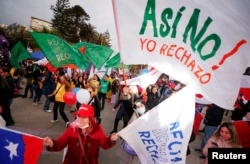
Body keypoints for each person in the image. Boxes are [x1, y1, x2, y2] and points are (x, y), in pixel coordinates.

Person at [44, 104, 119, 164]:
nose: (80, 119)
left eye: (84, 117)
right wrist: (51, 143)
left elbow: (105, 144)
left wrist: (111, 139)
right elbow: (60, 143)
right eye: (79, 116)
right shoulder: (71, 128)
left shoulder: (97, 129)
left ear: (90, 119)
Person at [120, 99, 147, 164]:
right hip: (130, 143)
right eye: (138, 107)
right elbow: (126, 105)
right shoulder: (133, 113)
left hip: (140, 146)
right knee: (124, 160)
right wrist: (125, 95)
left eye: (141, 105)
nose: (140, 108)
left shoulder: (149, 115)